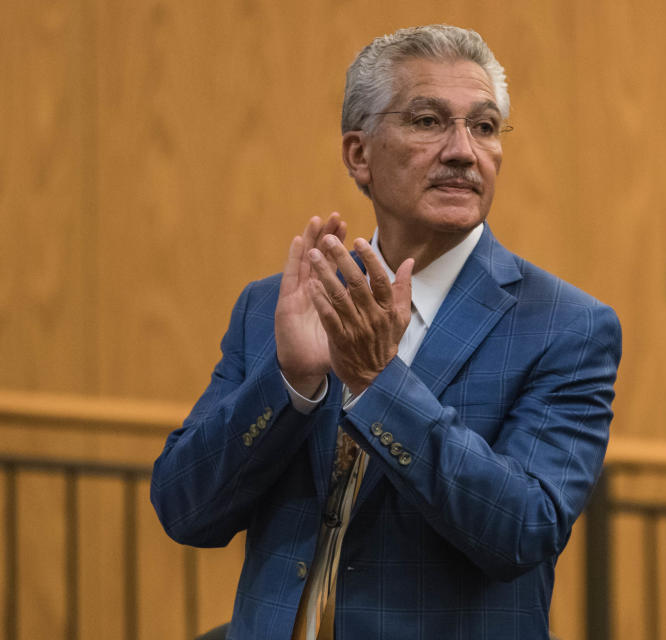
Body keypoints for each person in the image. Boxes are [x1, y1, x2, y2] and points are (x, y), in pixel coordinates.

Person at [151, 24, 621, 640]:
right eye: (428, 121)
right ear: (359, 155)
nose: (463, 150)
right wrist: (291, 382)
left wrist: (379, 383)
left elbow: (521, 530)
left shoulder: (566, 326)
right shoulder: (278, 305)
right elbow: (185, 511)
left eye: (483, 127)